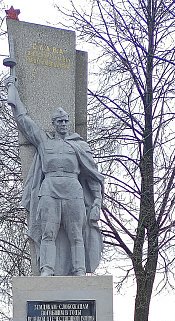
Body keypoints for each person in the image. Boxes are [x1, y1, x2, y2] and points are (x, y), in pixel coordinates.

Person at [6, 76, 105, 277]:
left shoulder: (79, 146)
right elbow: (24, 121)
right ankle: (47, 270)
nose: (63, 124)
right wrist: (12, 90)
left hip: (73, 190)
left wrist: (97, 202)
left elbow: (93, 176)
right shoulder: (44, 142)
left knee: (76, 235)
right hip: (49, 190)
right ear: (53, 123)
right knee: (48, 234)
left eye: (66, 121)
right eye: (59, 121)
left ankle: (78, 271)